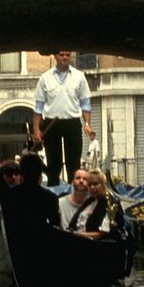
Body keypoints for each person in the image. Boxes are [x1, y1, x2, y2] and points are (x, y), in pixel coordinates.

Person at [32, 51, 95, 186]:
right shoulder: (45, 78)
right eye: (61, 55)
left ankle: (76, 194)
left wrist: (87, 124)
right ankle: (54, 198)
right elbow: (38, 107)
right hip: (51, 124)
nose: (65, 57)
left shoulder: (79, 76)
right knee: (54, 164)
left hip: (72, 123)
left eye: (67, 54)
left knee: (74, 163)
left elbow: (85, 103)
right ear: (55, 56)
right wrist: (36, 129)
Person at [4, 152, 61, 230]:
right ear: (40, 173)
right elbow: (56, 225)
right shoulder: (50, 197)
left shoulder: (9, 195)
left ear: (21, 172)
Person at [75, 169, 125, 240]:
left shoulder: (110, 202)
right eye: (89, 185)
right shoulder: (89, 201)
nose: (92, 187)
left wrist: (79, 235)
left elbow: (102, 234)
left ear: (103, 185)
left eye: (95, 184)